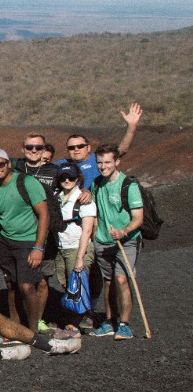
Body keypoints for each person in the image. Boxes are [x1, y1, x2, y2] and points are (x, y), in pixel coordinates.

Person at [0, 148, 50, 334]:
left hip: (28, 241)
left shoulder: (26, 182)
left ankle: (33, 330)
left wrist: (38, 246)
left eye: (0, 164)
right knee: (12, 286)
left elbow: (44, 214)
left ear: (8, 164)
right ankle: (16, 328)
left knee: (27, 285)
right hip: (6, 242)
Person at [89, 144, 145, 341]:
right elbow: (95, 213)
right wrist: (95, 236)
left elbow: (138, 217)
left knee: (121, 279)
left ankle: (125, 324)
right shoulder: (96, 184)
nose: (103, 166)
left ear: (117, 162)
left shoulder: (128, 185)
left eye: (107, 162)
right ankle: (109, 322)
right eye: (99, 162)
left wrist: (124, 231)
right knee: (109, 281)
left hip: (127, 240)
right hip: (103, 241)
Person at [53, 163, 96, 332]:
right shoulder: (56, 196)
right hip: (62, 247)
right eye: (63, 177)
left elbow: (87, 231)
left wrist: (80, 257)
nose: (67, 180)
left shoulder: (83, 200)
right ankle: (77, 318)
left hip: (77, 247)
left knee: (76, 286)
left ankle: (77, 322)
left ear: (77, 178)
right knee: (65, 283)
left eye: (70, 177)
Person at [58, 103, 142, 189]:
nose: (76, 149)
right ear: (67, 150)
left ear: (88, 148)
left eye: (80, 146)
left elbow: (122, 149)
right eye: (71, 148)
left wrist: (131, 127)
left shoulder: (99, 159)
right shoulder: (61, 164)